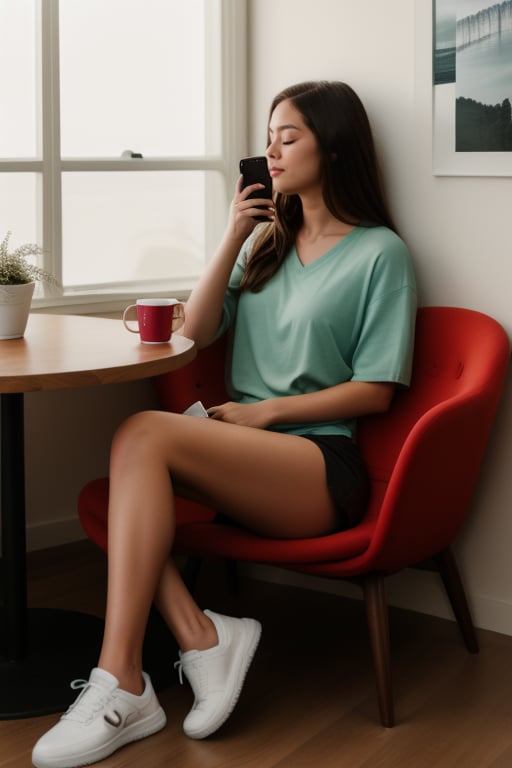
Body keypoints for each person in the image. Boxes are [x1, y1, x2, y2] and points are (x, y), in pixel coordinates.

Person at [32, 80, 416, 768]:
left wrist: (267, 411)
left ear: (333, 147)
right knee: (124, 473)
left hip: (317, 468)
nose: (270, 150)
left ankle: (123, 681)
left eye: (288, 136)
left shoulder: (379, 253)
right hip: (240, 455)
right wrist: (234, 232)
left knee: (139, 434)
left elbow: (377, 391)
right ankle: (198, 637)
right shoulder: (267, 241)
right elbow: (199, 328)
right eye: (268, 136)